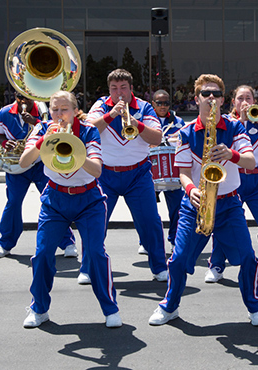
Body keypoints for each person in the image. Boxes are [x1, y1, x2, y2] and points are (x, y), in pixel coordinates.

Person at [148, 74, 258, 327]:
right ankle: (170, 306)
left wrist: (231, 153)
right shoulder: (186, 132)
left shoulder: (236, 129)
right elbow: (181, 172)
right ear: (196, 99)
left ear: (223, 100)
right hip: (195, 205)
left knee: (247, 257)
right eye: (205, 94)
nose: (210, 98)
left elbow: (251, 161)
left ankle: (254, 306)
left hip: (229, 204)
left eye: (215, 94)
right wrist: (190, 189)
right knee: (179, 259)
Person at [19, 91, 121, 328]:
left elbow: (96, 170)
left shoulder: (88, 131)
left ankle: (110, 308)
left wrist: (75, 150)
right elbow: (24, 162)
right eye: (54, 109)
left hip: (89, 199)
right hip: (55, 199)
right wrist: (45, 142)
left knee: (95, 254)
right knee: (43, 253)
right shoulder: (43, 128)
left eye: (64, 109)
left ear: (76, 111)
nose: (59, 114)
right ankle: (39, 308)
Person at [86, 69, 168, 284]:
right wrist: (112, 114)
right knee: (95, 222)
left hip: (138, 174)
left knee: (149, 221)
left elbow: (157, 138)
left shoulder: (144, 107)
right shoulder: (101, 105)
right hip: (105, 174)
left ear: (131, 89)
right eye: (114, 88)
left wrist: (135, 123)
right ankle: (88, 267)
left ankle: (159, 266)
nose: (119, 93)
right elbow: (88, 130)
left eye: (123, 88)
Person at [205, 85, 258, 283]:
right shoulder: (228, 123)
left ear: (254, 101)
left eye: (248, 98)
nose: (244, 102)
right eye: (240, 98)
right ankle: (216, 264)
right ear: (233, 102)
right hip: (236, 179)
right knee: (223, 224)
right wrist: (241, 121)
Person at [0, 91, 76, 259]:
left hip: (39, 163)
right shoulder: (5, 112)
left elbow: (56, 127)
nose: (23, 101)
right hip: (17, 167)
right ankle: (4, 243)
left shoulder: (44, 111)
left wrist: (35, 121)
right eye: (19, 97)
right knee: (13, 203)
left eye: (26, 98)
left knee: (53, 201)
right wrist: (6, 143)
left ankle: (67, 242)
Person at [147, 89, 186, 252]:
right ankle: (147, 241)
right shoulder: (147, 120)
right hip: (150, 171)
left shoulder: (178, 121)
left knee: (177, 208)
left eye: (166, 103)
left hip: (172, 172)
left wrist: (176, 141)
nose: (163, 106)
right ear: (153, 104)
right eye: (160, 103)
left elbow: (185, 141)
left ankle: (174, 239)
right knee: (147, 211)